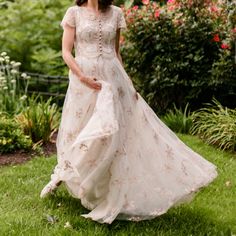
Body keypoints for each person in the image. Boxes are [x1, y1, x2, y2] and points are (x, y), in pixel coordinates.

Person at [40, 0, 218, 224]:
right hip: (83, 80)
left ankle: (110, 190)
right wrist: (82, 77)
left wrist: (128, 84)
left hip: (113, 79)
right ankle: (62, 175)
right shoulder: (74, 12)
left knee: (114, 135)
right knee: (80, 130)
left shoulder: (116, 13)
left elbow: (116, 54)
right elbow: (66, 52)